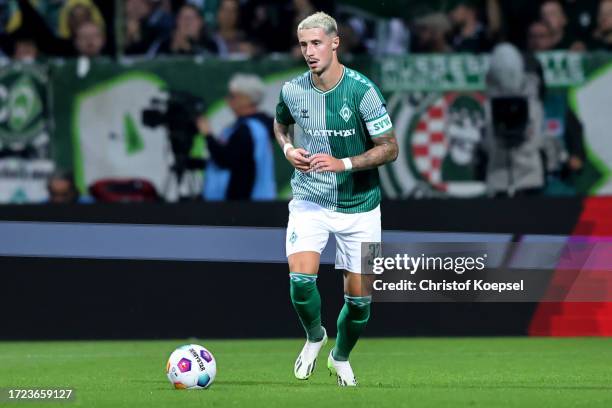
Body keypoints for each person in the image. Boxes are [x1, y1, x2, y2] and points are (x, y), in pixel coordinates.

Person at [274, 12, 398, 386]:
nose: (309, 52)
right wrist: (288, 148)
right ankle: (315, 336)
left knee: (360, 305)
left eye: (315, 43)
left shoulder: (362, 90)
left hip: (362, 206)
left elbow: (390, 148)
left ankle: (339, 356)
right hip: (310, 199)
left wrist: (343, 163)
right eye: (303, 45)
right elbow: (281, 125)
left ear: (334, 43)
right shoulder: (292, 90)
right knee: (300, 281)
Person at [197, 73, 276, 200]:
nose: (227, 100)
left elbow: (225, 159)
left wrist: (208, 135)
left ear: (247, 99)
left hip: (246, 202)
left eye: (232, 96)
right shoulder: (256, 126)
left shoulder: (249, 129)